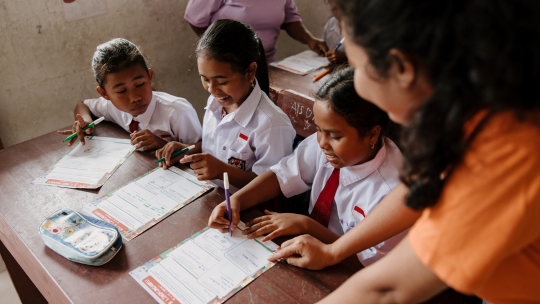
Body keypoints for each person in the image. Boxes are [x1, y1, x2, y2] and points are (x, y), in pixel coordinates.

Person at [270, 0, 540, 303]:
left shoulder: (503, 158)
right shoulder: (472, 108)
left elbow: (389, 290)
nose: (355, 82)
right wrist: (334, 250)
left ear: (401, 68)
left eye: (357, 67)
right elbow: (420, 187)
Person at [208, 67, 405, 267]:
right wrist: (237, 201)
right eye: (319, 130)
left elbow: (369, 262)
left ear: (372, 134)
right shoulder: (327, 148)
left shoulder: (392, 191)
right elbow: (281, 176)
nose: (322, 143)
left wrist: (307, 226)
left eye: (335, 136)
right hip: (309, 247)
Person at [156, 19, 296, 192]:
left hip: (245, 211)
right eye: (205, 79)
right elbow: (215, 146)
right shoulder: (216, 103)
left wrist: (222, 171)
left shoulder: (272, 125)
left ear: (250, 71)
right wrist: (188, 149)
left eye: (222, 81)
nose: (212, 89)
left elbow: (272, 185)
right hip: (210, 196)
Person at [57, 38, 202, 150]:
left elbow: (204, 149)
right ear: (104, 94)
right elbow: (82, 105)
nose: (135, 98)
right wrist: (87, 121)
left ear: (150, 76)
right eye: (121, 91)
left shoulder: (177, 112)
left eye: (139, 84)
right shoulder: (111, 107)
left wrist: (161, 143)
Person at [183, 0, 327, 63]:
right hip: (229, 64)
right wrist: (218, 48)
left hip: (267, 64)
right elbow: (196, 20)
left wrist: (309, 39)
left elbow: (290, 18)